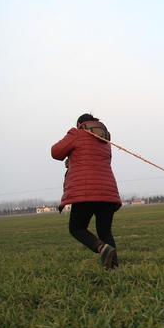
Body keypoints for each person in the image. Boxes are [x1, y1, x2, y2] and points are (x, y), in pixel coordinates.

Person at [51, 113, 121, 270]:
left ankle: (101, 248)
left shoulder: (77, 133)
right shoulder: (104, 140)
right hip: (107, 192)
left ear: (80, 124)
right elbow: (91, 158)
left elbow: (56, 152)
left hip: (86, 192)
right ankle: (114, 268)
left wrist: (72, 141)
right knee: (105, 232)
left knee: (76, 228)